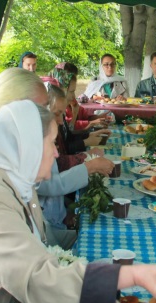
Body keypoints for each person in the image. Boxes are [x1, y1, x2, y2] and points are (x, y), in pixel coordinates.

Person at [0, 100, 156, 303]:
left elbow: (45, 241)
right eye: (51, 143)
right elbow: (40, 282)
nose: (57, 153)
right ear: (28, 146)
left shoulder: (20, 181)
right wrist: (131, 276)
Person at [38, 84, 115, 248]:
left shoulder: (46, 132)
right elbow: (50, 185)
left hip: (56, 219)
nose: (61, 120)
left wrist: (69, 209)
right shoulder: (35, 142)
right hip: (49, 228)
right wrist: (89, 166)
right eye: (57, 114)